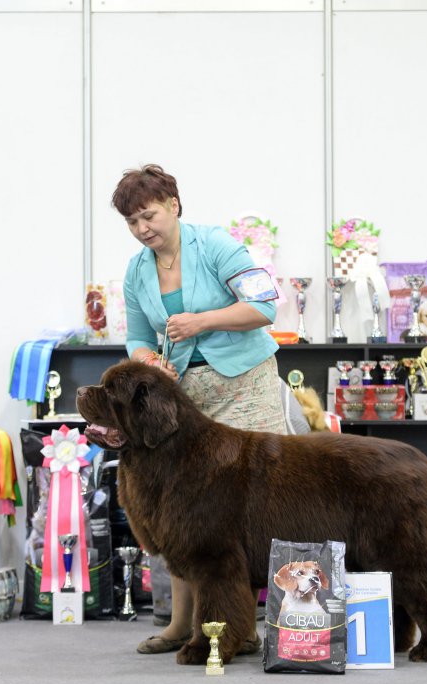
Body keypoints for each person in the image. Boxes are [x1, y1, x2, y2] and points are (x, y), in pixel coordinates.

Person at [111, 163, 287, 655]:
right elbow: (138, 338)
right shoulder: (136, 270)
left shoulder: (216, 245)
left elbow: (265, 306)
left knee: (265, 502)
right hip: (186, 398)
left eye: (148, 215)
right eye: (132, 222)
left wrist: (201, 322)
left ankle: (277, 621)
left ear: (174, 205)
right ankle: (184, 625)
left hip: (246, 386)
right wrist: (147, 361)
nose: (143, 228)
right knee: (183, 511)